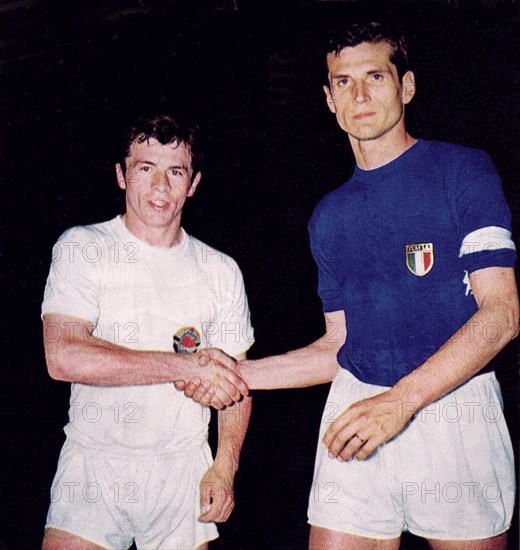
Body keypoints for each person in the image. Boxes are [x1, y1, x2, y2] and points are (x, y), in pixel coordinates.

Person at [183, 20, 519, 550]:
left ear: (405, 86)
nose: (359, 95)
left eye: (375, 77)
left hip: (456, 405)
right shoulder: (329, 216)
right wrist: (236, 373)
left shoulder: (464, 171)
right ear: (328, 98)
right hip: (356, 407)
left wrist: (401, 402)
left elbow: (501, 315)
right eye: (343, 82)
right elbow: (338, 348)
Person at [41, 114, 253, 550]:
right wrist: (186, 366)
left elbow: (238, 383)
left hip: (183, 471)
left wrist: (224, 466)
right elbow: (63, 357)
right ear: (121, 174)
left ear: (192, 183)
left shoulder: (221, 270)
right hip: (92, 465)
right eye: (145, 168)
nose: (160, 186)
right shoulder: (83, 247)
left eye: (175, 171)